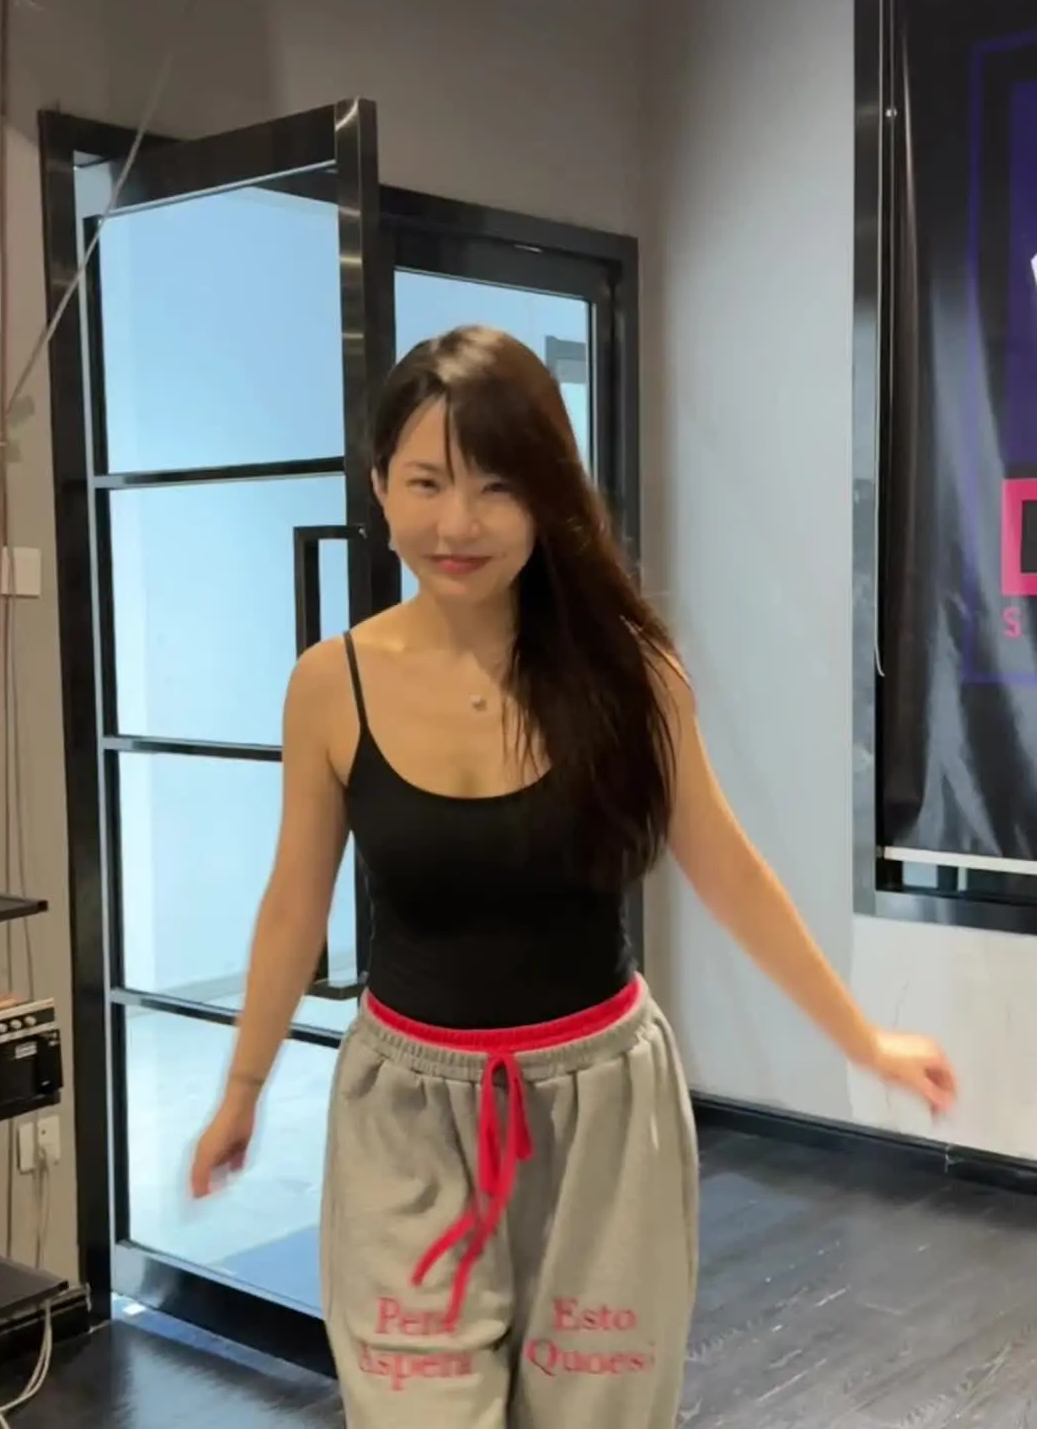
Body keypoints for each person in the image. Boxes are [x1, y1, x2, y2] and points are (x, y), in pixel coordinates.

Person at [190, 326, 957, 1427]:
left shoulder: (629, 675)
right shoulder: (330, 684)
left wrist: (862, 1039)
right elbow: (292, 904)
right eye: (427, 482)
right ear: (380, 487)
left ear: (548, 497)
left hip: (603, 1115)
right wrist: (243, 1091)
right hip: (405, 1117)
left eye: (498, 486)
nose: (458, 524)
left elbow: (726, 867)